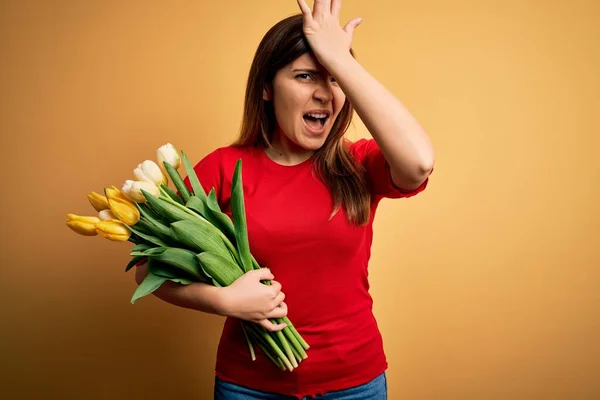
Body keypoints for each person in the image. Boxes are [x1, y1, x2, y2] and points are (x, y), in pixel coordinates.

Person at [135, 0, 434, 398]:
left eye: (333, 80)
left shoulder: (357, 163)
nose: (324, 95)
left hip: (355, 384)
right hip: (251, 386)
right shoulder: (226, 168)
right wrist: (226, 300)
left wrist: (340, 60)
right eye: (306, 76)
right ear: (266, 87)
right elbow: (146, 269)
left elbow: (418, 162)